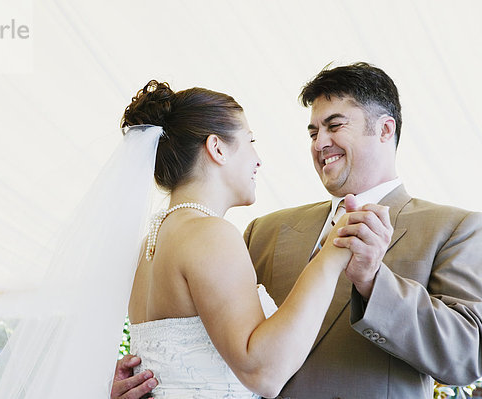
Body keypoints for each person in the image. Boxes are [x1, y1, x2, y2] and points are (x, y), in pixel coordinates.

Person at [112, 63, 482, 398]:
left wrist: (373, 283)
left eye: (334, 125)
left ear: (385, 129)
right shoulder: (263, 231)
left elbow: (467, 359)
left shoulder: (454, 228)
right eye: (312, 131)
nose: (320, 143)